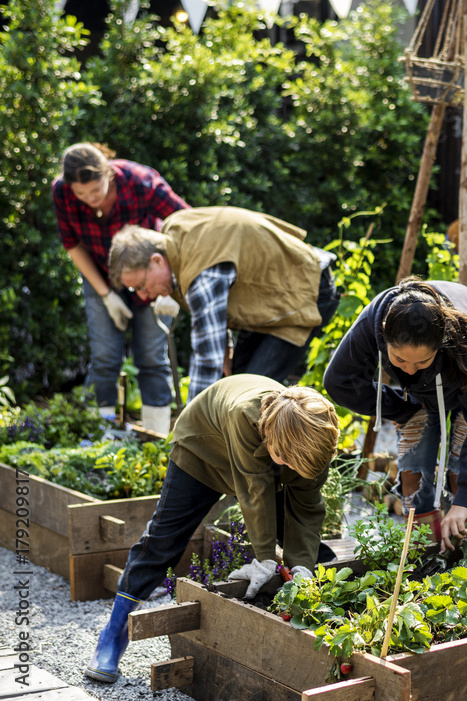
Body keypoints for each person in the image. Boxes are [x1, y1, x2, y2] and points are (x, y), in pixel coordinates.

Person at [85, 375, 340, 683]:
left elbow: (306, 508)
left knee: (308, 551)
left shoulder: (314, 438)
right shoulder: (243, 415)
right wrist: (264, 558)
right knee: (164, 541)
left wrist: (301, 568)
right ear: (273, 438)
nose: (292, 468)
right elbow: (254, 489)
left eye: (298, 466)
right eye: (285, 460)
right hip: (204, 449)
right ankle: (113, 635)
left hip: (270, 456)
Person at [323, 277, 467, 551]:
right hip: (421, 390)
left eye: (421, 361)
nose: (409, 370)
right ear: (384, 335)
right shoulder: (373, 321)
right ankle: (424, 550)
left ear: (441, 343)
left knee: (460, 463)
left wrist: (464, 501)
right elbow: (338, 381)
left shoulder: (466, 344)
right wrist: (401, 407)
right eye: (399, 360)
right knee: (413, 470)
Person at [107, 206, 340, 401]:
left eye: (141, 286)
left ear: (156, 261)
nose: (144, 296)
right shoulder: (173, 231)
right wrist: (226, 347)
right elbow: (220, 300)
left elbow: (207, 361)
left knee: (250, 396)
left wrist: (191, 433)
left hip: (306, 288)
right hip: (272, 295)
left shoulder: (200, 273)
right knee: (237, 382)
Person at [53, 143, 189, 434]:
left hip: (148, 276)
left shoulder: (140, 182)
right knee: (104, 358)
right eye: (81, 194)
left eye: (96, 190)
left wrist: (175, 283)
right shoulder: (61, 192)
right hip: (99, 276)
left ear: (109, 174)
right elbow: (72, 244)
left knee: (152, 358)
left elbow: (186, 224)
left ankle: (157, 438)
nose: (90, 199)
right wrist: (105, 294)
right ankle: (97, 437)